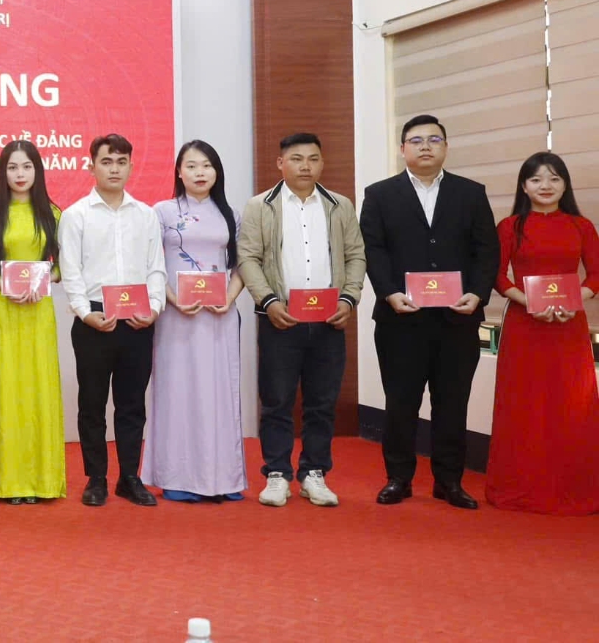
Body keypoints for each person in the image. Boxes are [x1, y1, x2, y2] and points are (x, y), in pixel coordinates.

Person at [359, 115, 498, 509]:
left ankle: (449, 481)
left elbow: (486, 249)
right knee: (401, 403)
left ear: (445, 147)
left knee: (452, 403)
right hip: (400, 319)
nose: (425, 146)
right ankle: (398, 479)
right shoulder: (380, 194)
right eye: (416, 140)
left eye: (434, 140)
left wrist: (477, 294)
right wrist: (389, 292)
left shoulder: (471, 193)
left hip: (457, 318)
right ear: (402, 148)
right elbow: (373, 249)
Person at [238, 132, 365, 508]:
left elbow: (356, 255)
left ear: (322, 163)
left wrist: (349, 298)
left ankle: (314, 473)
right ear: (281, 164)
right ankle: (277, 474)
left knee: (322, 402)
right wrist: (268, 301)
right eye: (296, 159)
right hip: (280, 319)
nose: (305, 166)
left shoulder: (340, 205)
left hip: (329, 321)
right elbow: (248, 258)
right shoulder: (260, 206)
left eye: (312, 159)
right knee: (276, 400)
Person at [485, 152, 599, 515]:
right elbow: (497, 276)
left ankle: (573, 487)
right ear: (524, 186)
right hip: (524, 326)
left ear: (565, 185)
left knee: (571, 404)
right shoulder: (510, 226)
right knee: (524, 404)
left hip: (569, 327)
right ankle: (520, 485)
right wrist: (528, 301)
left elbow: (596, 274)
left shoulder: (581, 226)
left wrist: (576, 300)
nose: (545, 186)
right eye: (536, 179)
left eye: (554, 178)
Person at [58, 133, 166, 508]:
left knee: (132, 404)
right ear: (91, 167)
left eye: (121, 162)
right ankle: (96, 478)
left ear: (131, 166)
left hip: (137, 319)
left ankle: (130, 478)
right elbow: (71, 271)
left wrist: (154, 308)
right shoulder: (75, 215)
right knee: (92, 403)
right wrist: (84, 313)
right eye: (106, 162)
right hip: (94, 318)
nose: (114, 169)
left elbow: (156, 268)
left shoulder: (146, 215)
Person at [142, 140, 248, 503]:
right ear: (178, 172)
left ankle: (223, 478)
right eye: (191, 166)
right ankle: (177, 477)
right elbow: (151, 264)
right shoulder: (162, 212)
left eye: (206, 165)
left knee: (219, 392)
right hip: (176, 317)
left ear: (217, 171)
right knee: (178, 391)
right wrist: (173, 299)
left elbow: (242, 265)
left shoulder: (230, 215)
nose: (199, 172)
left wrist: (229, 298)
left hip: (219, 316)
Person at [0, 140, 65, 504]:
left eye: (27, 167)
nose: (20, 174)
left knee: (38, 391)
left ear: (37, 171)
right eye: (12, 167)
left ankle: (42, 482)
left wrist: (41, 282)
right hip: (4, 311)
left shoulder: (54, 214)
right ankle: (7, 481)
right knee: (7, 391)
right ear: (3, 172)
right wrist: (5, 285)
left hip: (39, 311)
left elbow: (64, 267)